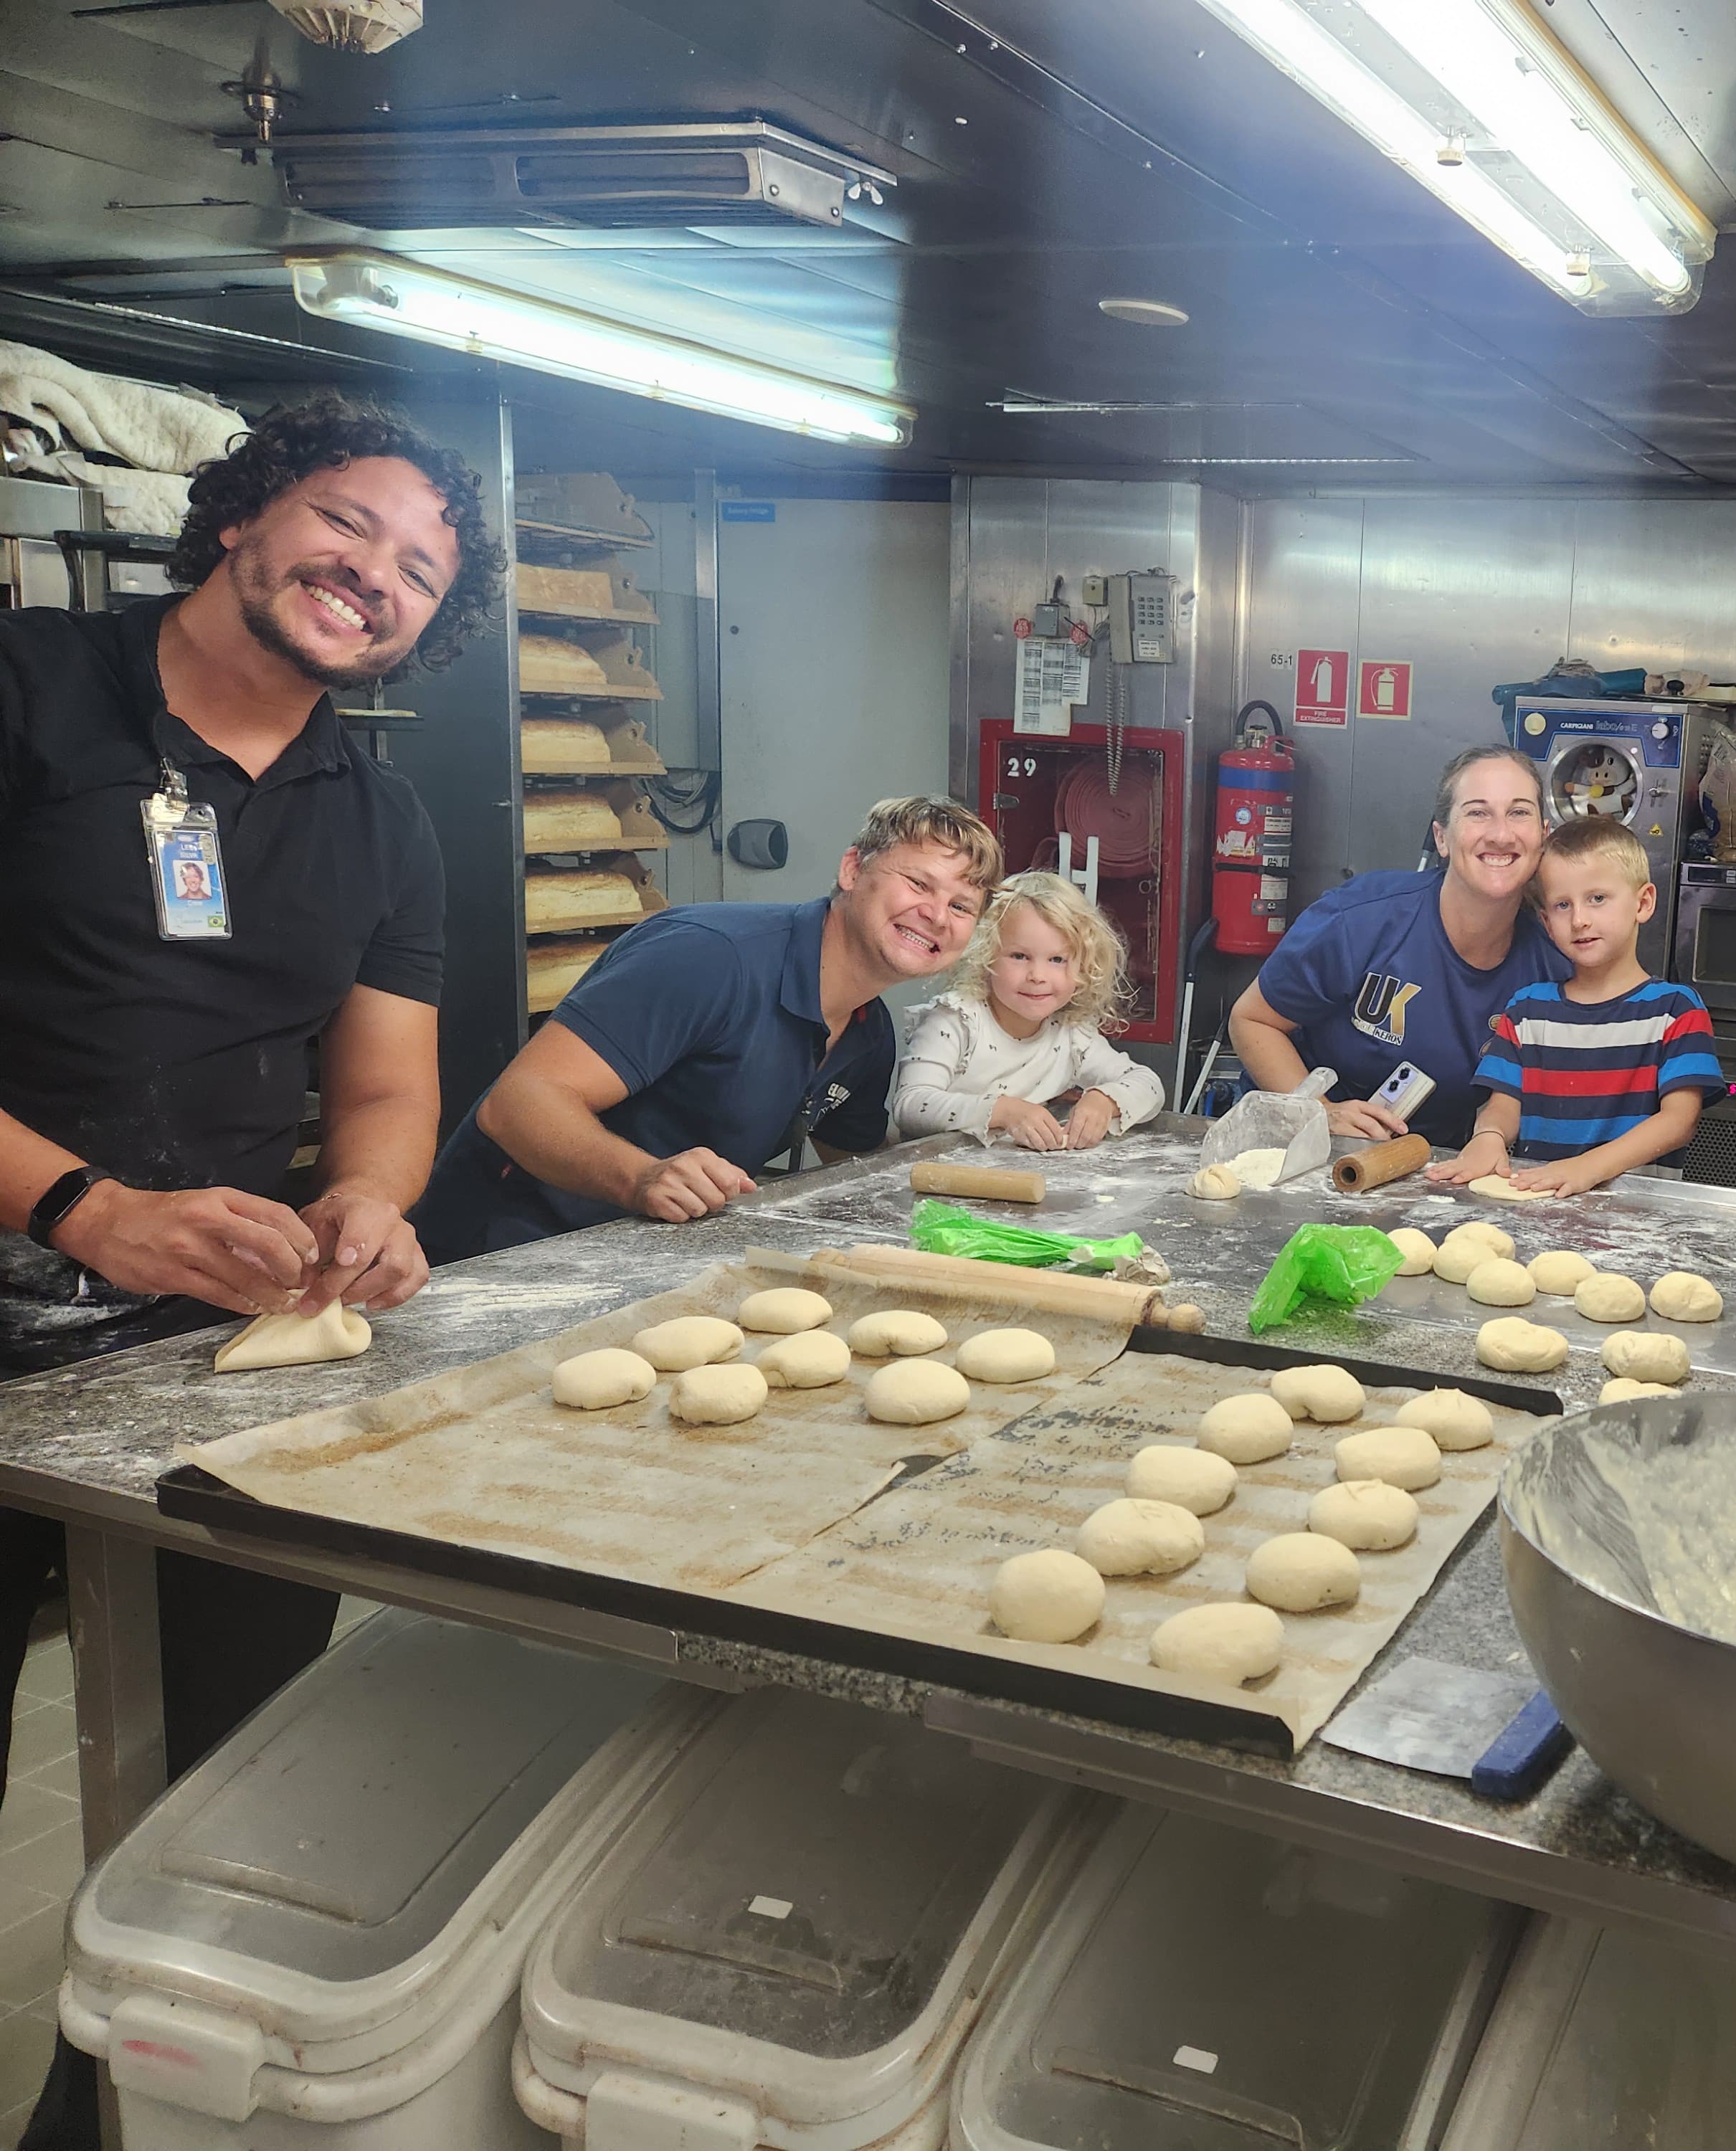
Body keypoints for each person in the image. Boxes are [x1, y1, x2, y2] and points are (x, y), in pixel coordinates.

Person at [0, 389, 505, 2147]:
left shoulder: (381, 819)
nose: (377, 576)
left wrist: (370, 1202)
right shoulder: (32, 691)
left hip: (198, 1351)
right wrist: (82, 1206)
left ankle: (99, 2124)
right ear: (245, 515)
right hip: (31, 1271)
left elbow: (385, 1090)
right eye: (351, 524)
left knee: (216, 1788)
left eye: (421, 572)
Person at [413, 796, 997, 1259]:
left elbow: (858, 1168)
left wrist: (976, 1142)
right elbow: (517, 1104)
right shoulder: (710, 959)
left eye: (961, 906)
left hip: (646, 1260)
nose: (935, 915)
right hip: (500, 1254)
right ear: (852, 870)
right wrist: (642, 1177)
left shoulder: (868, 1033)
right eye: (918, 884)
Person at [1229, 742, 1568, 1149]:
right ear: (1442, 838)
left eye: (1519, 812)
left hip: (1430, 1162)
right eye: (1478, 813)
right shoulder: (1362, 919)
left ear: (1543, 836)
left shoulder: (1555, 963)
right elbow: (1252, 1021)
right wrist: (1319, 1111)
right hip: (1296, 1142)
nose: (1500, 834)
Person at [1431, 816, 1725, 1195]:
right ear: (1546, 922)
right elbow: (1504, 1106)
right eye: (1562, 905)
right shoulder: (1527, 1011)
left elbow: (1678, 1122)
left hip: (1638, 1214)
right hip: (1542, 1205)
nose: (1580, 920)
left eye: (1597, 899)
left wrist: (1589, 1168)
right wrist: (1489, 1137)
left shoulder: (1676, 1011)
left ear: (1643, 903)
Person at [892, 871, 1165, 1148]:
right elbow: (911, 1105)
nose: (1038, 976)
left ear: (1083, 968)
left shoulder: (1071, 1035)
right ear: (985, 956)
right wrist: (1003, 1111)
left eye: (1057, 959)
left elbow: (1150, 1085)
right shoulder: (956, 1021)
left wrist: (1105, 1101)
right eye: (1019, 956)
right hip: (935, 1168)